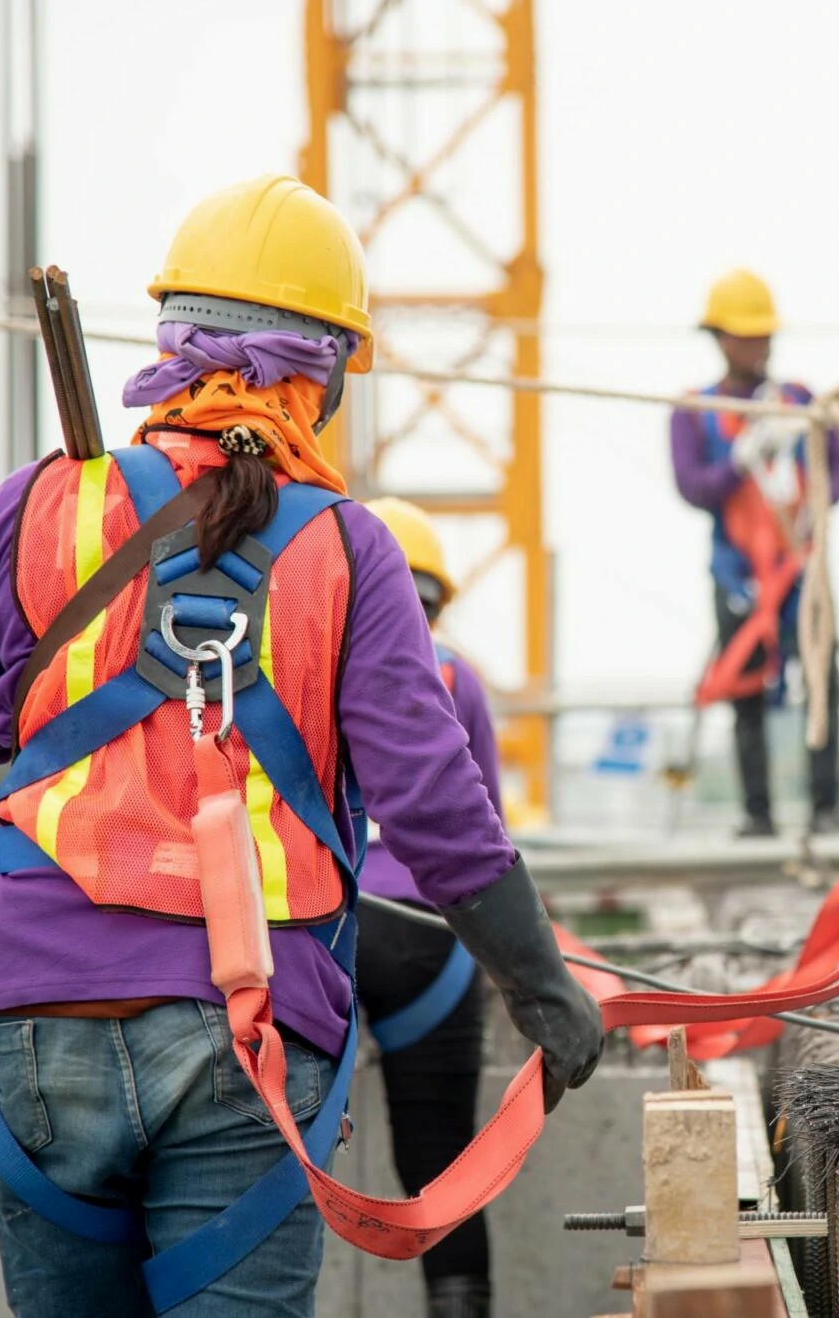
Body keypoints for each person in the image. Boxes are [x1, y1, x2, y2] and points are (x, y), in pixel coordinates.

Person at [0, 175, 603, 1318]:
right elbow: (432, 802)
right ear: (321, 375)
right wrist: (540, 987)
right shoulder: (346, 546)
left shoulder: (42, 502)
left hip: (27, 1006)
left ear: (172, 344)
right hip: (247, 1023)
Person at [356, 498, 500, 1318]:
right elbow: (485, 841)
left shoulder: (303, 666)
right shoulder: (456, 678)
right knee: (443, 1165)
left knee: (267, 1159)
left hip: (324, 929)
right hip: (432, 943)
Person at [669, 270, 839, 837]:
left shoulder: (800, 403)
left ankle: (825, 807)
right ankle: (758, 814)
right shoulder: (694, 410)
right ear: (719, 338)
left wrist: (810, 504)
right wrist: (740, 461)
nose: (757, 347)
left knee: (822, 683)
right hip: (738, 575)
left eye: (762, 336)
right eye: (746, 336)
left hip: (800, 570)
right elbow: (692, 486)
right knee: (744, 693)